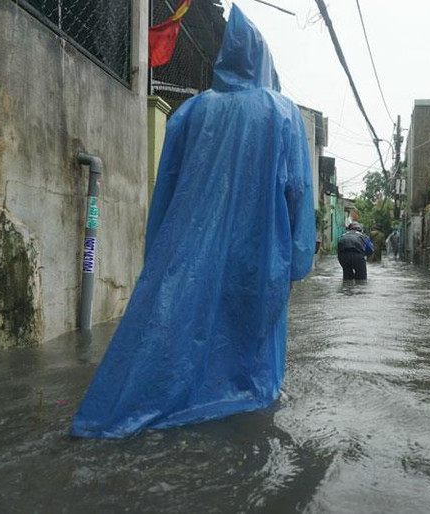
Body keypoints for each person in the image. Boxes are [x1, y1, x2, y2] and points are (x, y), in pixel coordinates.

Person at [70, 6, 315, 439]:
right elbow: (297, 191)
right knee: (250, 345)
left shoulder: (190, 112)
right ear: (263, 61)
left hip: (188, 251)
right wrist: (297, 261)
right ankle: (240, 409)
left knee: (183, 334)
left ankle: (141, 407)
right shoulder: (282, 113)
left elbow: (165, 188)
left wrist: (159, 253)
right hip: (259, 252)